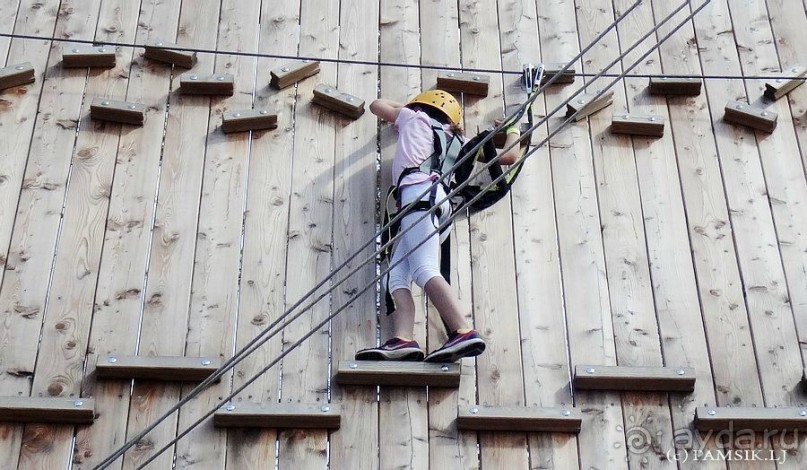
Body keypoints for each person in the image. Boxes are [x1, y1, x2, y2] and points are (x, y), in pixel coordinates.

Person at [355, 90, 523, 363]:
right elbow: (508, 157)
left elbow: (377, 105)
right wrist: (512, 129)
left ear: (422, 106)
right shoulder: (459, 139)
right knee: (395, 277)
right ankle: (402, 339)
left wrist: (406, 108)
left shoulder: (414, 118)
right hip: (438, 204)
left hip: (418, 196)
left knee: (423, 269)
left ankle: (463, 330)